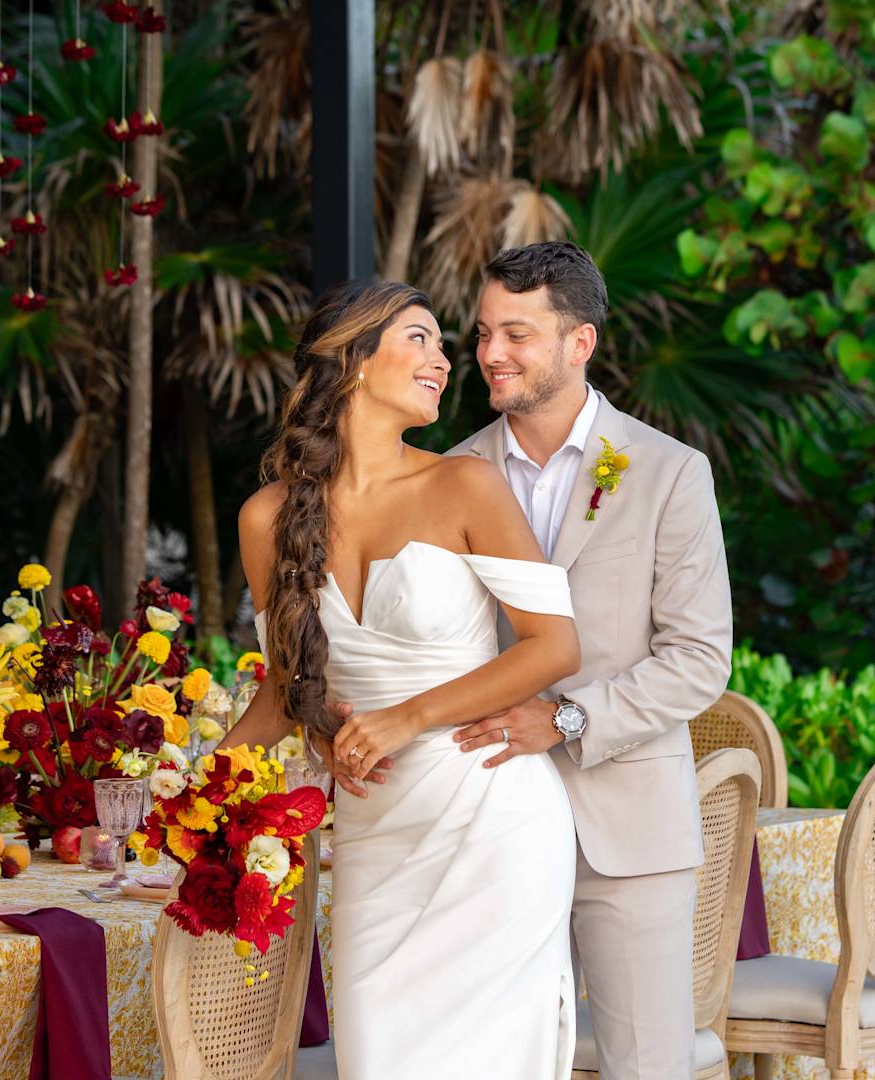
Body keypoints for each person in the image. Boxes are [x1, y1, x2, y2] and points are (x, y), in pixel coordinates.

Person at [345, 242, 736, 1079]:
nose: (489, 354)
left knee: (644, 1067)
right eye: (483, 332)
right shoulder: (450, 472)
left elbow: (700, 658)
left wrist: (565, 718)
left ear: (579, 343)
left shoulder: (669, 472)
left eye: (516, 334)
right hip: (479, 822)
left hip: (624, 830)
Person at [220, 279, 584, 1077]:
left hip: (493, 822)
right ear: (352, 360)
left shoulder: (464, 485)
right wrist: (198, 791)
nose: (446, 361)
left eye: (441, 345)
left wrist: (405, 718)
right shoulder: (266, 517)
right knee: (377, 1057)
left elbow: (553, 648)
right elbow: (286, 689)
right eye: (419, 339)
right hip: (377, 834)